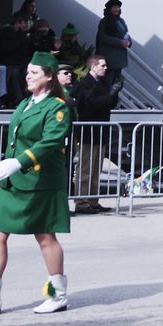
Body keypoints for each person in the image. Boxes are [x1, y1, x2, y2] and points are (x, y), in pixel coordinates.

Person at [0, 52, 73, 317]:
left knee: (45, 236)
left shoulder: (57, 107)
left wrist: (18, 162)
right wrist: (8, 163)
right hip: (15, 182)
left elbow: (49, 142)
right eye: (27, 71)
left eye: (34, 72)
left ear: (49, 76)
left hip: (40, 181)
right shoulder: (26, 103)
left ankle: (58, 294)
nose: (28, 76)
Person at [67, 55, 115, 215]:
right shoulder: (84, 84)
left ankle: (93, 199)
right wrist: (110, 95)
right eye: (102, 65)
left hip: (100, 130)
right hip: (88, 131)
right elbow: (91, 105)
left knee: (96, 168)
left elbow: (108, 104)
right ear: (93, 67)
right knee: (86, 167)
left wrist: (113, 94)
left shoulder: (102, 83)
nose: (105, 68)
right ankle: (81, 201)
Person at [92, 0, 133, 96]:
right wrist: (120, 42)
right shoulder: (105, 21)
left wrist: (129, 42)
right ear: (109, 9)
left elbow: (126, 34)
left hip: (119, 60)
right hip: (109, 59)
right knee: (107, 83)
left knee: (117, 84)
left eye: (118, 7)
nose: (117, 9)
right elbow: (103, 37)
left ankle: (111, 101)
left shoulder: (121, 21)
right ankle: (106, 102)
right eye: (114, 7)